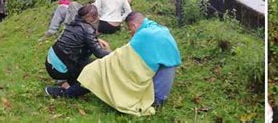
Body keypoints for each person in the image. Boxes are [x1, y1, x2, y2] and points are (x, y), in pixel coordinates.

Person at [46, 12, 181, 116]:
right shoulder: (159, 28)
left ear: (134, 25)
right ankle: (69, 88)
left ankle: (66, 93)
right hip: (162, 81)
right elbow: (130, 56)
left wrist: (108, 52)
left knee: (96, 70)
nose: (131, 33)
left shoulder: (143, 35)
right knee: (98, 67)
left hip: (155, 99)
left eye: (130, 30)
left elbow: (122, 58)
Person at [44, 4, 111, 93]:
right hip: (60, 70)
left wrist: (96, 40)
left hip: (50, 63)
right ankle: (65, 91)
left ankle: (68, 81)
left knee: (83, 53)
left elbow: (80, 38)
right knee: (96, 65)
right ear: (93, 18)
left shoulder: (73, 23)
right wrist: (112, 53)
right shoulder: (87, 29)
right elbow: (99, 53)